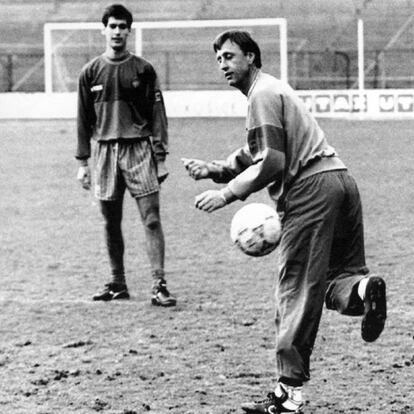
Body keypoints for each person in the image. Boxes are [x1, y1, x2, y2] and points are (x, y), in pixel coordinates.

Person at [182, 30, 386, 413]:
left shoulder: (260, 94)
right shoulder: (273, 91)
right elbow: (258, 150)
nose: (223, 65)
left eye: (229, 56)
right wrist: (217, 169)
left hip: (310, 191)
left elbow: (273, 161)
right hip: (340, 180)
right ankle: (363, 291)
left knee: (294, 292)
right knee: (336, 279)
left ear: (251, 57)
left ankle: (288, 397)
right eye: (218, 59)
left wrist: (227, 194)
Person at [76, 4, 176, 307]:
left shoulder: (143, 70)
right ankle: (117, 282)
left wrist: (159, 156)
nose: (117, 31)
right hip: (104, 152)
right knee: (110, 221)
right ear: (103, 29)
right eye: (113, 26)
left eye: (123, 26)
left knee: (151, 218)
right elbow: (83, 119)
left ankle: (159, 284)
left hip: (139, 150)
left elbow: (158, 114)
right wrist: (83, 162)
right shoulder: (90, 71)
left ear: (129, 31)